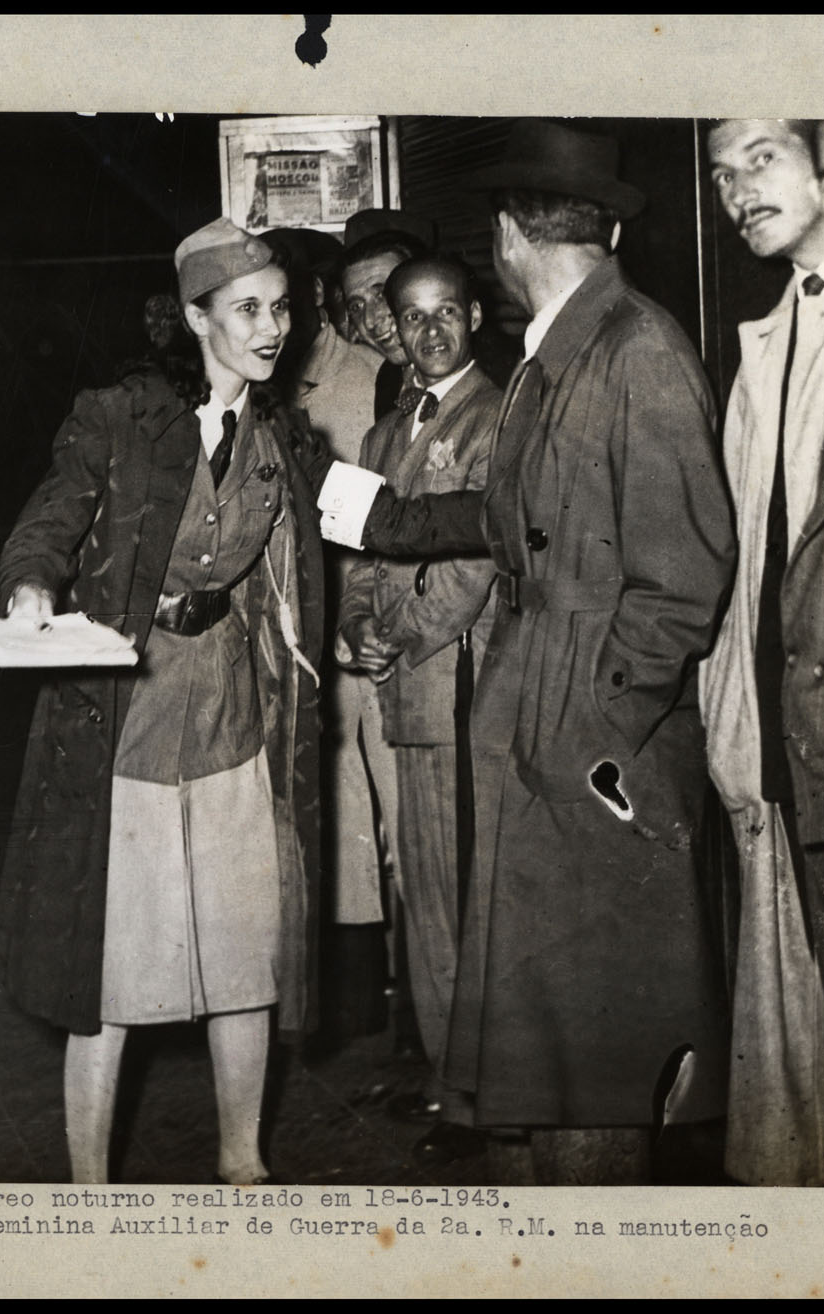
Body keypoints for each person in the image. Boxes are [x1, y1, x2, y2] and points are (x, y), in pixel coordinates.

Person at [320, 120, 738, 1183]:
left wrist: (591, 736)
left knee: (590, 1058)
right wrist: (387, 523)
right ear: (604, 228)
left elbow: (683, 581)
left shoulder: (633, 350)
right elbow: (514, 516)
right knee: (541, 1055)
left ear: (507, 234)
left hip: (590, 754)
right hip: (540, 723)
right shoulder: (564, 352)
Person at [0, 219, 326, 1186]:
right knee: (110, 965)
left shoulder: (284, 435)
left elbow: (361, 519)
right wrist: (29, 587)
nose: (272, 328)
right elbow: (48, 519)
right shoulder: (120, 414)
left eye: (280, 308)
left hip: (231, 714)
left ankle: (242, 1162)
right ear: (193, 318)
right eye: (247, 310)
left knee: (244, 951)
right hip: (126, 720)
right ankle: (89, 1186)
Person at [700, 119, 824, 1185]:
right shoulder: (764, 339)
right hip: (775, 718)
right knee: (809, 1006)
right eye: (720, 174)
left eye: (758, 157)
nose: (734, 191)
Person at [334, 255, 501, 1159]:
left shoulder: (497, 416)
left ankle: (477, 1100)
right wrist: (356, 625)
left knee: (461, 896)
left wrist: (398, 637)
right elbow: (359, 552)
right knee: (424, 897)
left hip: (456, 688)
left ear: (473, 315)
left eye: (445, 313)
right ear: (391, 328)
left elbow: (474, 564)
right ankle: (448, 1082)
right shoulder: (380, 434)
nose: (429, 331)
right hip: (401, 690)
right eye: (411, 317)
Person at [266, 225, 399, 1033]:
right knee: (338, 819)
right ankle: (358, 992)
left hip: (368, 627)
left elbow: (378, 513)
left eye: (282, 301)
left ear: (312, 298)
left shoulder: (371, 377)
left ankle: (406, 1000)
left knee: (395, 823)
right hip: (302, 645)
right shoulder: (259, 391)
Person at [337, 226, 431, 420]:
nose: (370, 320)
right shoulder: (389, 378)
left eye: (383, 294)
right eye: (356, 306)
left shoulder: (485, 375)